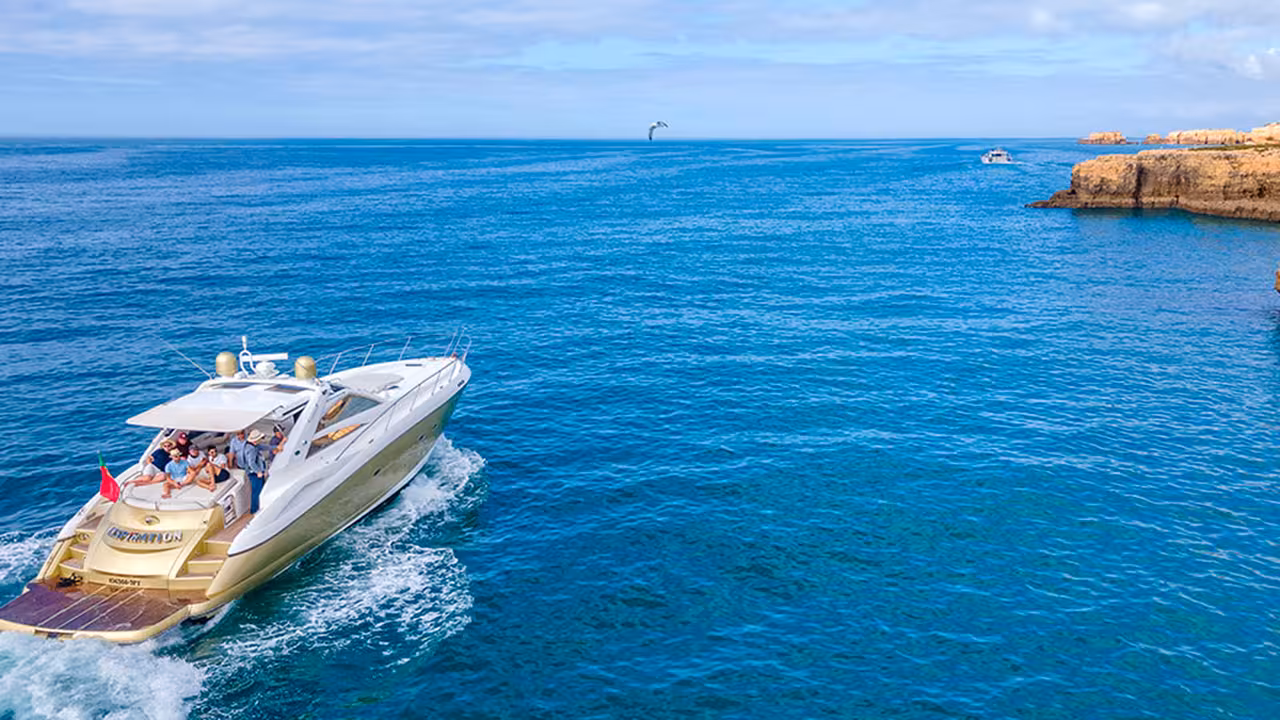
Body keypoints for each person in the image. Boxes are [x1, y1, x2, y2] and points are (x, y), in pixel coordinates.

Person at [240, 429, 268, 513]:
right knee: (257, 490)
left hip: (254, 472)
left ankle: (257, 508)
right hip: (254, 473)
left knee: (258, 489)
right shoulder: (251, 449)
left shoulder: (251, 445)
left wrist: (275, 447)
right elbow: (251, 463)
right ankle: (255, 510)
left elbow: (263, 447)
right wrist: (258, 472)